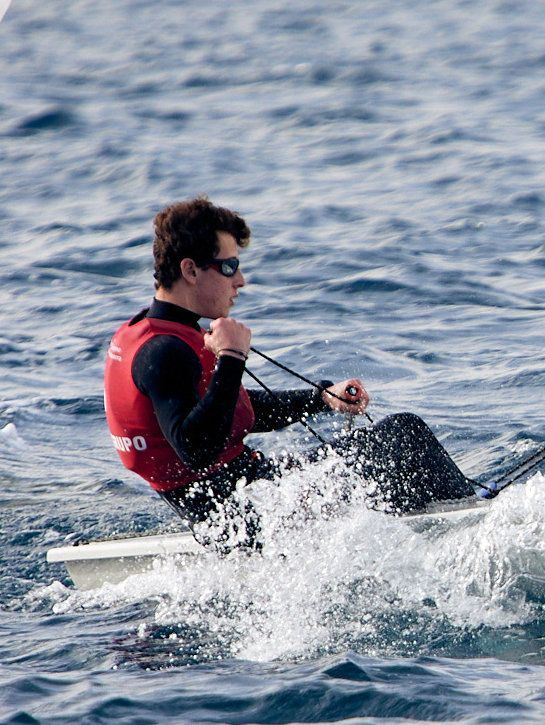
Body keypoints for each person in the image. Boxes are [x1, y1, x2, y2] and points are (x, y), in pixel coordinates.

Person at [102, 196, 474, 531]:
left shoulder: (154, 334)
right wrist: (232, 358)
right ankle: (471, 524)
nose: (240, 281)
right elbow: (196, 451)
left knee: (393, 454)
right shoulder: (164, 352)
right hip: (248, 515)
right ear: (191, 270)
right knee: (404, 436)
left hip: (247, 497)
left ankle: (440, 520)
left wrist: (321, 398)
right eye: (229, 267)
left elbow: (228, 411)